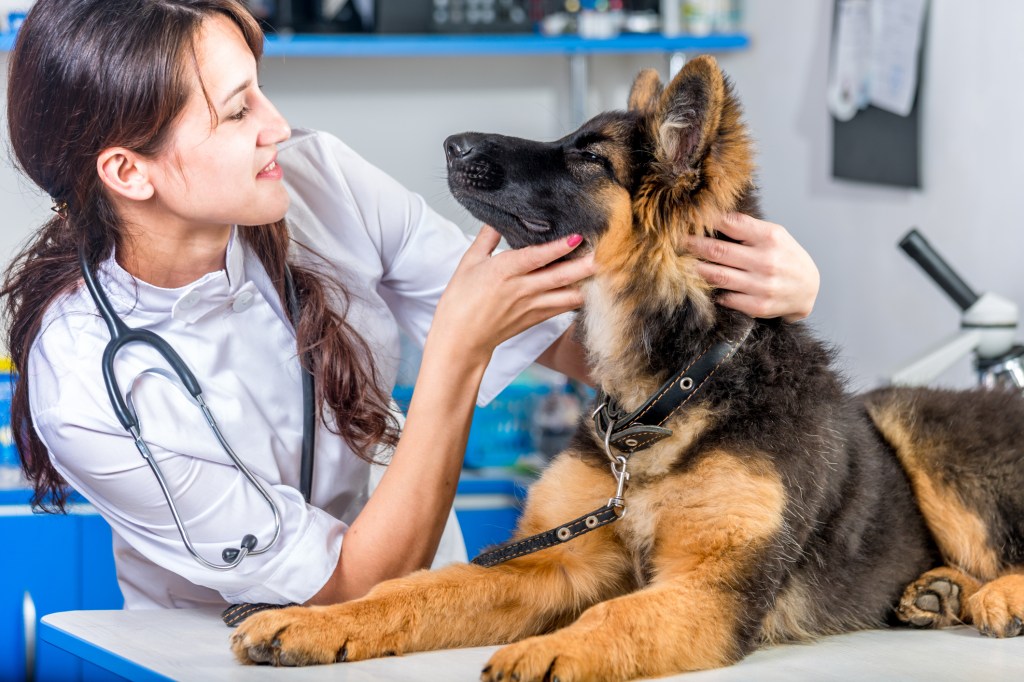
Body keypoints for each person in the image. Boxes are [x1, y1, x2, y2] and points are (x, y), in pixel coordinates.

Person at [1, 0, 819, 610]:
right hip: (225, 651)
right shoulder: (88, 388)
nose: (278, 127)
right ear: (128, 172)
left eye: (263, 93)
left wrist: (756, 294)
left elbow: (581, 343)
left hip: (427, 620)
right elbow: (353, 586)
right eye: (238, 110)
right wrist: (455, 358)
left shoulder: (319, 181)